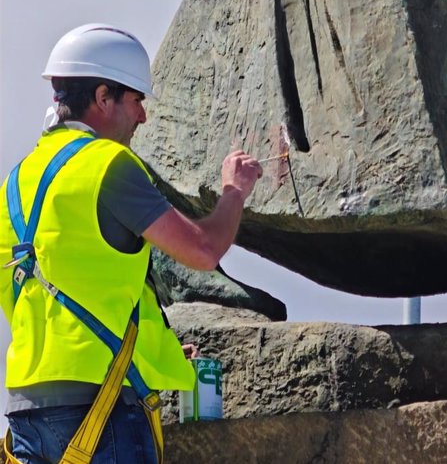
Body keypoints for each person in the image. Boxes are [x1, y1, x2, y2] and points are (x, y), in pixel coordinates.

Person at [0, 23, 262, 463]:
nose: (143, 115)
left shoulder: (16, 182)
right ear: (103, 97)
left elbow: (40, 292)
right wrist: (234, 191)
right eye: (136, 100)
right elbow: (202, 249)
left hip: (27, 411)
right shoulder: (109, 165)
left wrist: (150, 350)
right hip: (101, 409)